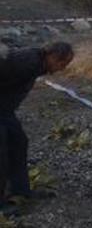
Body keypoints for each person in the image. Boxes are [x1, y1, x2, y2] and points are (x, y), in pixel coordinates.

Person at [0, 42, 74, 217]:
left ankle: (20, 191)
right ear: (53, 57)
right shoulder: (26, 61)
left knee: (18, 142)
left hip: (4, 110)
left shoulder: (36, 63)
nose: (62, 69)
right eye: (63, 64)